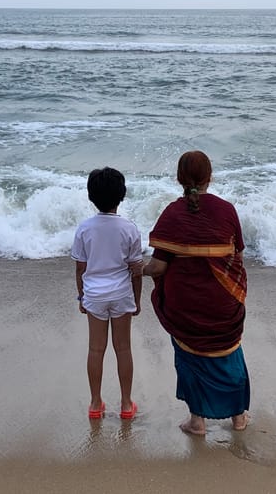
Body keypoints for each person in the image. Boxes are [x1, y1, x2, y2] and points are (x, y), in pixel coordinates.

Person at [142, 151, 250, 435]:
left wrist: (136, 270)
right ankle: (239, 418)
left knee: (189, 357)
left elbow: (157, 267)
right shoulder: (227, 210)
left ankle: (196, 421)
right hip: (224, 307)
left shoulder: (172, 214)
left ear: (179, 179)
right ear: (209, 177)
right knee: (230, 352)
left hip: (185, 311)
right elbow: (236, 253)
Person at [71, 167, 143, 420]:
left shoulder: (85, 228)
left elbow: (80, 267)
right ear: (121, 195)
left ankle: (95, 403)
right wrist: (137, 299)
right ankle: (125, 404)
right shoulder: (129, 228)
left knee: (95, 349)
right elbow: (136, 269)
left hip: (95, 295)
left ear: (91, 196)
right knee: (123, 349)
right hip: (122, 293)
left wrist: (82, 297)